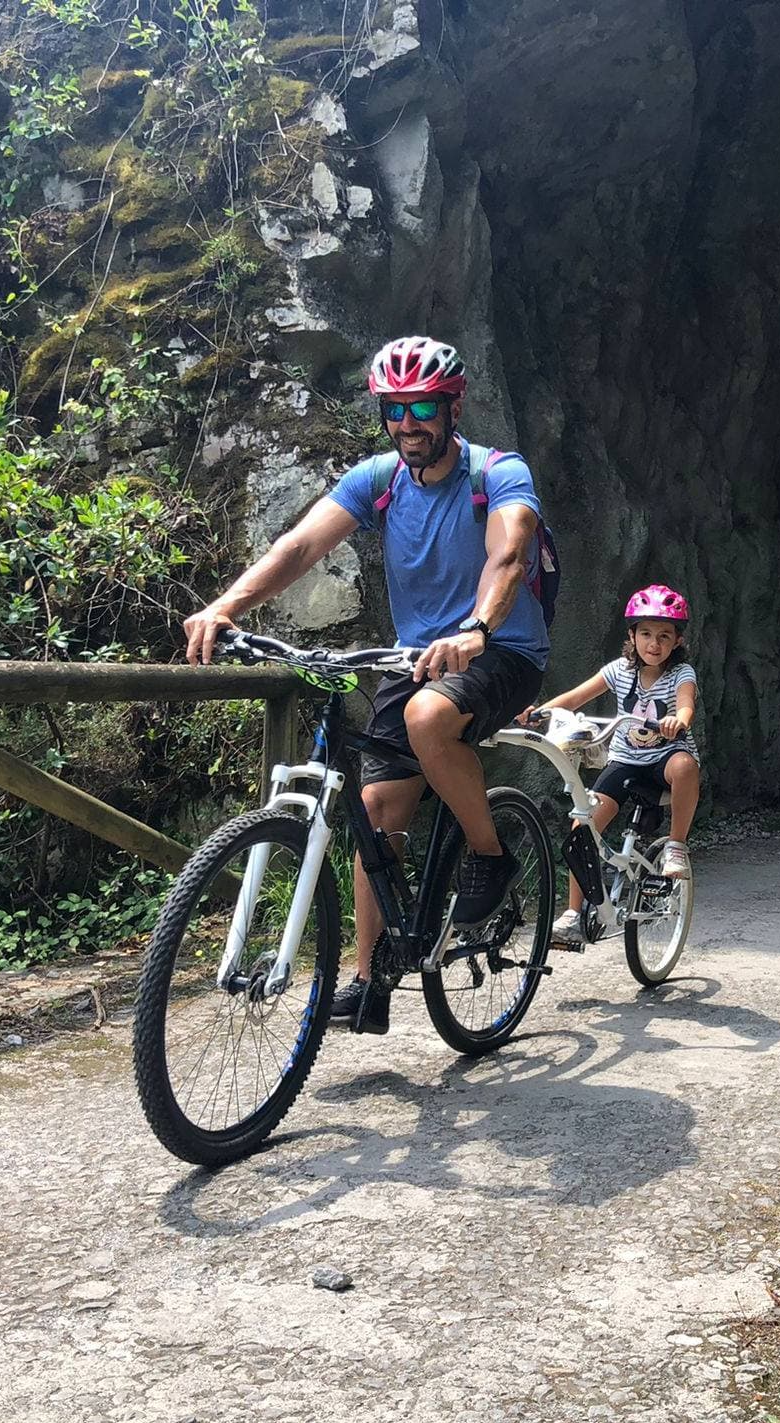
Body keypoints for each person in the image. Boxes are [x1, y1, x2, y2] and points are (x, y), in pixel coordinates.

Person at [181, 335, 550, 1034]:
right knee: (376, 806)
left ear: (452, 406)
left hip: (501, 650)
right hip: (413, 660)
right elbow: (299, 546)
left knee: (427, 720)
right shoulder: (378, 479)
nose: (407, 424)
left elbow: (510, 552)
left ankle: (489, 856)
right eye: (392, 409)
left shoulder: (497, 472)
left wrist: (476, 627)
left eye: (421, 408)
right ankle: (368, 975)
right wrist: (228, 605)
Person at [531, 585, 699, 944]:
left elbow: (686, 703)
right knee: (582, 828)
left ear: (677, 641)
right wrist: (540, 713)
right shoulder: (619, 671)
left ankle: (676, 845)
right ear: (632, 635)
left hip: (663, 759)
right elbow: (576, 696)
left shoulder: (681, 674)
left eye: (664, 636)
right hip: (624, 760)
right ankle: (574, 913)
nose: (654, 644)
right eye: (646, 634)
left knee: (685, 766)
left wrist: (679, 720)